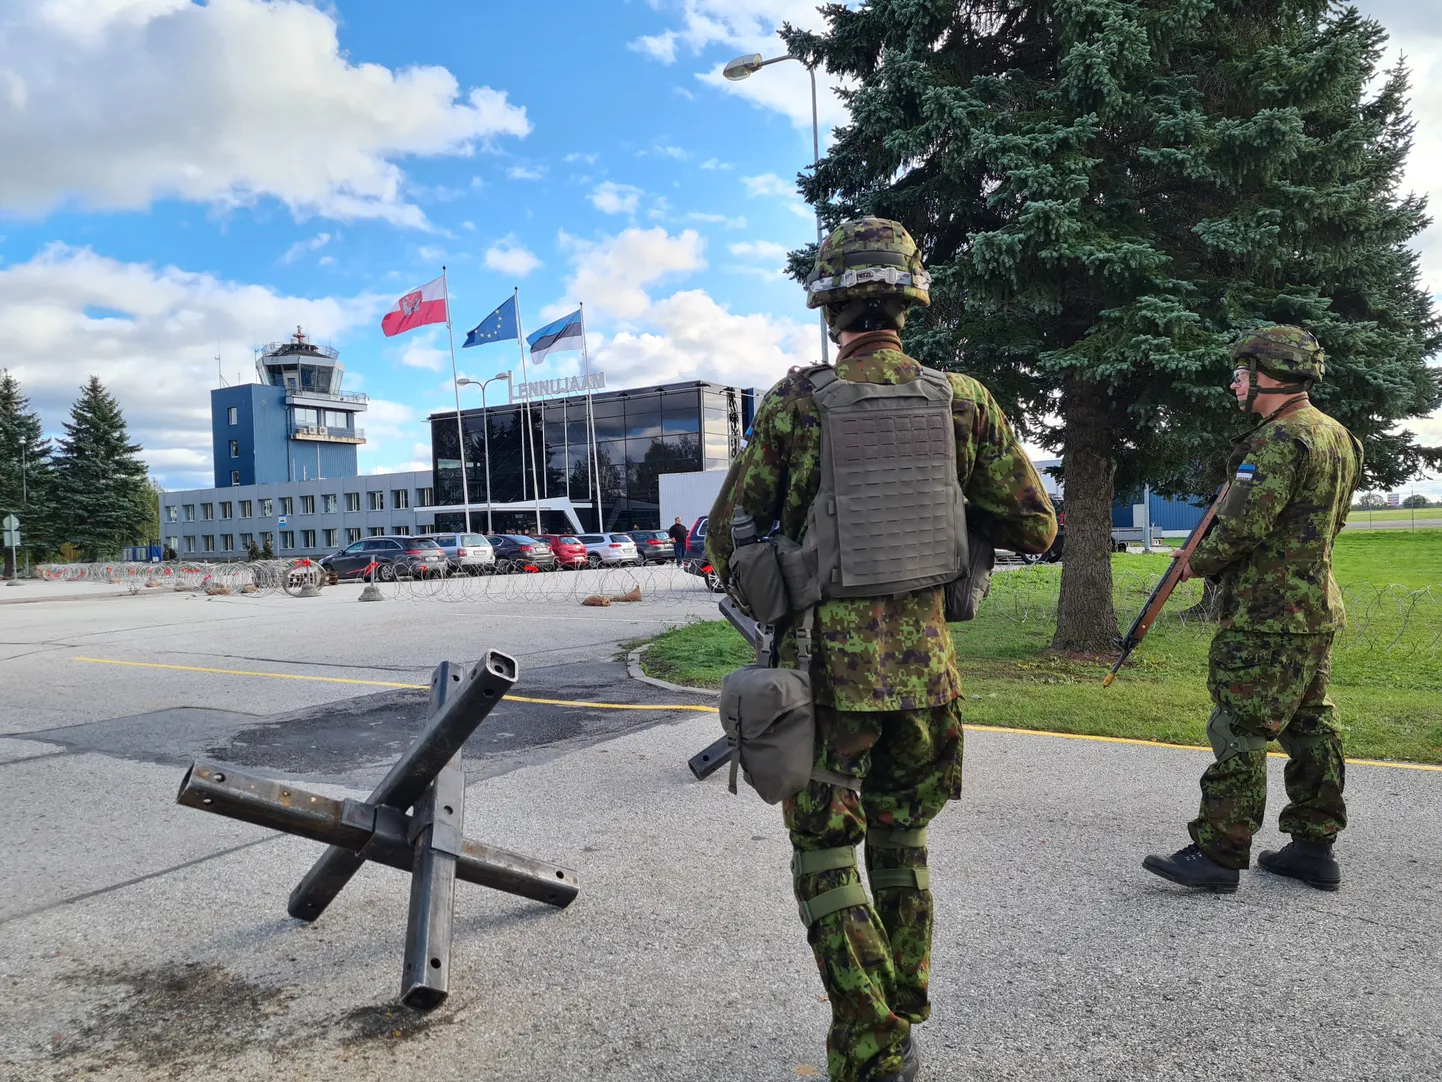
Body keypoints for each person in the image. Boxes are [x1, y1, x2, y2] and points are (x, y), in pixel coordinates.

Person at [707, 217, 1057, 1082]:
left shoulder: (796, 404)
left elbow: (724, 539)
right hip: (930, 682)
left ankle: (871, 1043)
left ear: (832, 307)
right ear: (909, 299)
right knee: (902, 847)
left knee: (827, 856)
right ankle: (904, 1010)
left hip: (826, 685)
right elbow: (1037, 526)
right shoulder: (963, 400)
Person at [1144, 324, 1361, 893]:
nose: (1236, 384)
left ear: (1272, 376)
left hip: (1265, 615)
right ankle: (1313, 848)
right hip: (1315, 608)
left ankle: (1218, 854)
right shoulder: (1337, 436)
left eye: (1243, 374)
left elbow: (1239, 528)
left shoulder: (1275, 442)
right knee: (1311, 724)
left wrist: (1195, 563)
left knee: (1239, 726)